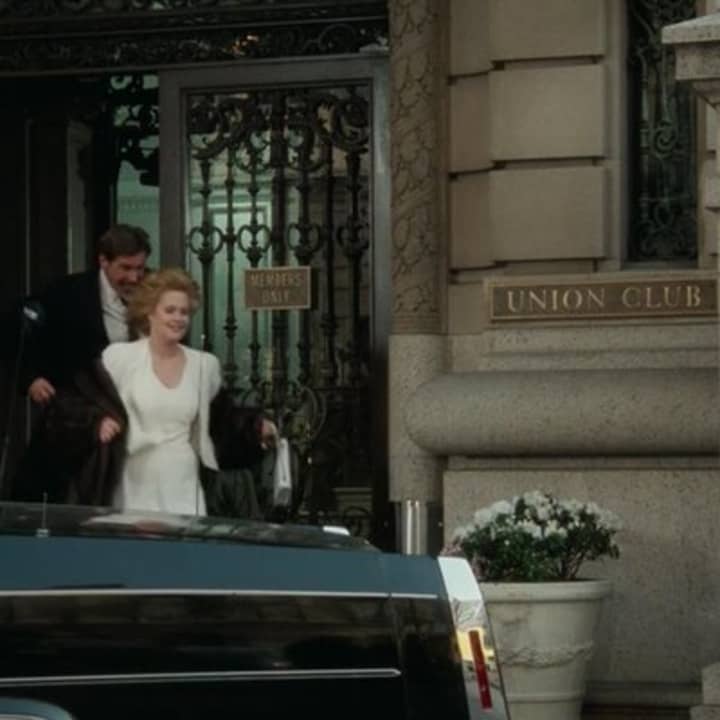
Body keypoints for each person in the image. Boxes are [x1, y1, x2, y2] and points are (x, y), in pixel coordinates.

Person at [99, 268, 277, 516]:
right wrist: (100, 422)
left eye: (184, 312)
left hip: (183, 479)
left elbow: (221, 420)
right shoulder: (120, 358)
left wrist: (256, 427)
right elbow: (93, 403)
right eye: (170, 310)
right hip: (134, 478)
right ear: (150, 312)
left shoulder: (204, 365)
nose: (178, 318)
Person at [11, 224, 151, 503]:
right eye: (125, 268)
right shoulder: (67, 292)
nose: (134, 277)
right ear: (103, 261)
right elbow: (25, 331)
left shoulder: (154, 289)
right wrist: (31, 378)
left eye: (140, 268)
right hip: (78, 416)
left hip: (136, 414)